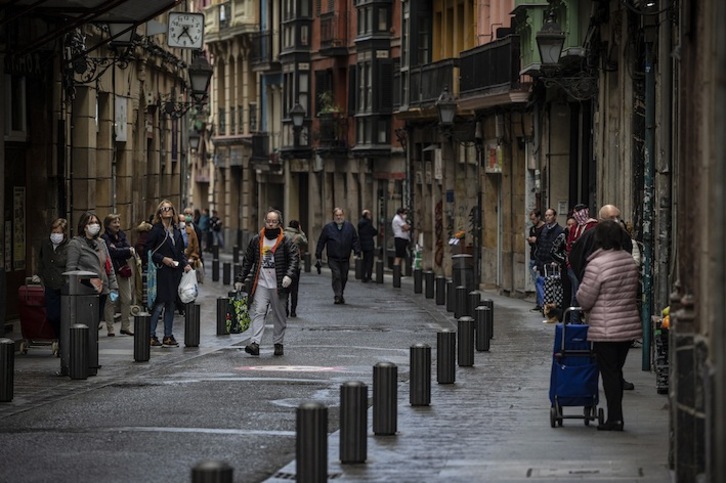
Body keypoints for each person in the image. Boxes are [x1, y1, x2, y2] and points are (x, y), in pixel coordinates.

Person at [576, 220, 642, 431]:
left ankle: (615, 418)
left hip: (606, 329)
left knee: (610, 374)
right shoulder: (628, 261)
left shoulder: (597, 264)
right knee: (616, 371)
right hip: (627, 326)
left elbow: (585, 299)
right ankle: (616, 415)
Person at [234, 210, 299, 356]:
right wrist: (240, 279)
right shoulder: (257, 239)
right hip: (262, 283)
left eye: (274, 221)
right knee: (259, 311)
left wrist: (288, 276)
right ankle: (255, 343)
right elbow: (248, 260)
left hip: (279, 284)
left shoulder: (285, 241)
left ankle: (278, 343)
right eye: (268, 220)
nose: (270, 223)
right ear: (264, 221)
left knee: (279, 314)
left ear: (279, 223)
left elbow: (294, 259)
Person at [145, 200, 192, 348]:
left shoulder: (176, 230)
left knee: (171, 304)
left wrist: (185, 264)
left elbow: (179, 252)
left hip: (175, 272)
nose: (167, 211)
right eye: (164, 208)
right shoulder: (156, 230)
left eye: (170, 208)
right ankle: (151, 335)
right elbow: (148, 250)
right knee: (159, 304)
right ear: (159, 212)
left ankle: (168, 335)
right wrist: (163, 259)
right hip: (161, 271)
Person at [66, 212, 118, 336]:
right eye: (91, 223)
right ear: (84, 226)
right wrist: (88, 281)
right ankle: (83, 350)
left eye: (96, 223)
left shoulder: (101, 243)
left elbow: (109, 266)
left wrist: (114, 286)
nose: (94, 225)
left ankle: (91, 350)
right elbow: (71, 270)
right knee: (86, 323)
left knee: (95, 322)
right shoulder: (76, 244)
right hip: (85, 291)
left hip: (102, 290)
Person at [315, 207, 361, 304]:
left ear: (343, 216)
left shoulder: (349, 227)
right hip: (333, 257)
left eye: (340, 215)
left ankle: (340, 293)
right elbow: (321, 241)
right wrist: (318, 255)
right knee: (336, 275)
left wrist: (357, 251)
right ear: (334, 216)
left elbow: (355, 240)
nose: (339, 217)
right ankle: (338, 295)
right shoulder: (328, 228)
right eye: (337, 215)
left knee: (344, 277)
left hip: (345, 257)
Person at [100, 214, 135, 336]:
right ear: (108, 225)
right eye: (114, 222)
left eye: (118, 222)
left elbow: (129, 251)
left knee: (127, 299)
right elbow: (111, 253)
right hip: (112, 274)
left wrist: (123, 251)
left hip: (123, 273)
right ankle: (110, 328)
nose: (117, 224)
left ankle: (125, 326)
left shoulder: (122, 235)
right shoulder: (104, 238)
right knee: (112, 300)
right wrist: (125, 251)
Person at [36, 217, 69, 339]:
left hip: (63, 286)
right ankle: (57, 336)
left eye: (59, 232)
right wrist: (39, 275)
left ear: (64, 233)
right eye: (54, 232)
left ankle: (62, 342)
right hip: (49, 285)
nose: (56, 235)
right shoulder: (45, 244)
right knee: (52, 316)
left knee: (62, 316)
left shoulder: (69, 246)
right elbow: (41, 261)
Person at [565, 204, 597, 310]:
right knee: (575, 293)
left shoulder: (592, 225)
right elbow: (569, 245)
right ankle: (575, 320)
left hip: (587, 264)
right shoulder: (575, 228)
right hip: (574, 265)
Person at [534, 208, 564, 312]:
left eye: (550, 215)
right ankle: (545, 306)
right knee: (541, 284)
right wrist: (537, 263)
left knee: (553, 287)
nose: (547, 217)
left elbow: (561, 248)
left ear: (555, 216)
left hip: (553, 264)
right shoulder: (544, 229)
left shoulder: (560, 230)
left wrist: (557, 261)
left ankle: (551, 308)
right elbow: (541, 246)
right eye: (546, 215)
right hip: (543, 262)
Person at [283, 220, 307, 318]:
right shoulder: (299, 237)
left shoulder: (283, 235)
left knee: (285, 289)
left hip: (285, 265)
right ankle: (293, 311)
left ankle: (285, 310)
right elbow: (305, 242)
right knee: (294, 289)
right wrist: (301, 231)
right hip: (296, 266)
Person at [527, 209, 545, 311]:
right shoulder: (532, 229)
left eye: (534, 219)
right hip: (533, 257)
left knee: (539, 281)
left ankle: (541, 304)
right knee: (535, 281)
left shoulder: (544, 228)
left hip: (540, 259)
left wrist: (536, 240)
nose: (533, 221)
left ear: (538, 217)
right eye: (531, 219)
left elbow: (545, 242)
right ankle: (539, 303)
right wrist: (530, 240)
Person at [357, 210, 377, 283]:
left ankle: (363, 276)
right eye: (369, 214)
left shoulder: (360, 223)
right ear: (366, 215)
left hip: (363, 244)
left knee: (364, 261)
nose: (370, 215)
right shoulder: (368, 223)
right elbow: (374, 231)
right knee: (369, 261)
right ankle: (368, 276)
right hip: (369, 244)